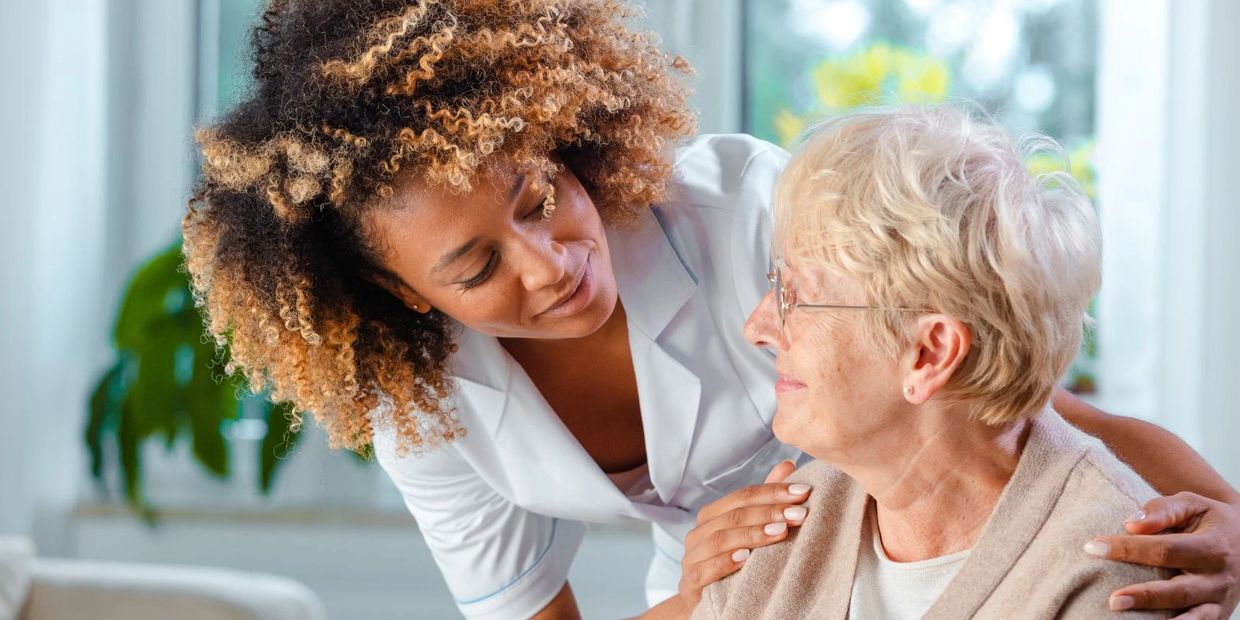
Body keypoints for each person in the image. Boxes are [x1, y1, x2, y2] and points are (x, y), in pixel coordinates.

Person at [180, 1, 1240, 618]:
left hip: (910, 509)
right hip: (737, 578)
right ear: (407, 297)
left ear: (557, 136)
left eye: (541, 196)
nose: (550, 264)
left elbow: (1016, 397)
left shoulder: (749, 214)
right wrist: (694, 599)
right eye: (476, 267)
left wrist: (1237, 527)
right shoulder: (427, 406)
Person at [692, 105, 1177, 619]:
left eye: (796, 297)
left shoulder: (1108, 574)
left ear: (930, 354)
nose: (758, 328)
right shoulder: (778, 528)